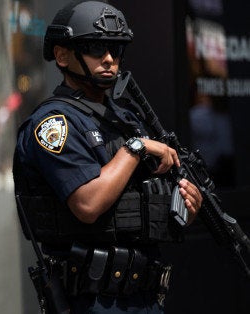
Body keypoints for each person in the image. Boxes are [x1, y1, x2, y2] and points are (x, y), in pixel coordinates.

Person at [13, 0, 203, 313]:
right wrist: (137, 147)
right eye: (95, 48)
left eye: (115, 49)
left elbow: (145, 202)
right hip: (92, 299)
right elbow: (88, 204)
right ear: (62, 55)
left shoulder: (126, 118)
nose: (109, 59)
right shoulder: (54, 123)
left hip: (144, 294)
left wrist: (185, 204)